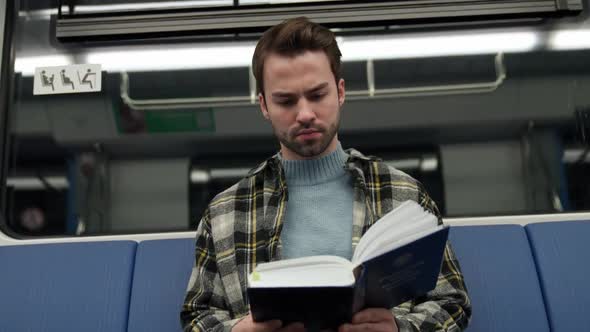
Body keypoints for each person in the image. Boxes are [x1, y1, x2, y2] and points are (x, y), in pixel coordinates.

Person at [181, 17, 471, 332]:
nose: (305, 114)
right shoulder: (225, 211)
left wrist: (400, 328)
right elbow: (198, 316)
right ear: (264, 105)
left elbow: (451, 304)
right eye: (286, 101)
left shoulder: (405, 196)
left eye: (317, 95)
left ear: (340, 92)